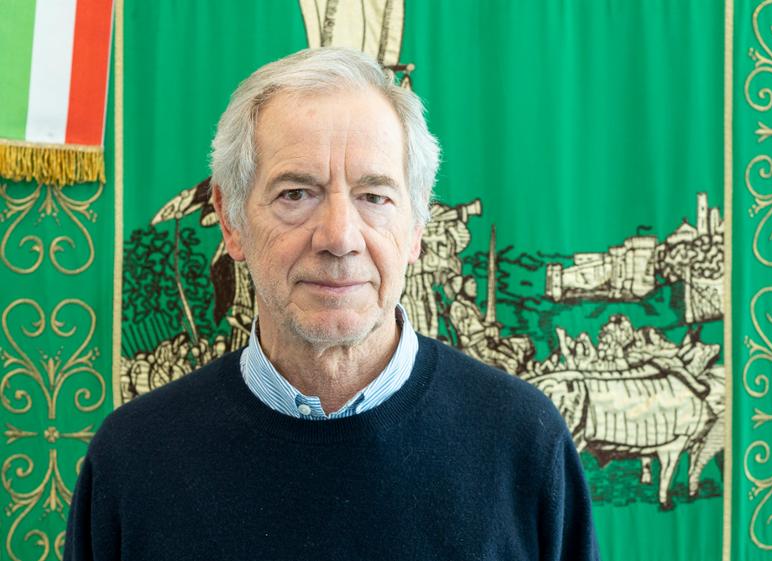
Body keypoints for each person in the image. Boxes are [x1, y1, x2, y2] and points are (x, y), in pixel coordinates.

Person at [64, 47, 600, 560]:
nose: (340, 237)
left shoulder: (525, 443)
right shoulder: (134, 458)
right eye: (296, 194)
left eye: (374, 196)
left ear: (417, 224)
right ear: (231, 221)